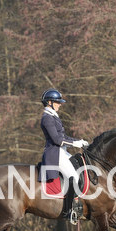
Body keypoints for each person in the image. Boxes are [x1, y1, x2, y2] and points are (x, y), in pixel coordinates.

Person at [39, 88, 88, 223]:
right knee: (73, 177)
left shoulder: (53, 116)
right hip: (54, 154)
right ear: (49, 102)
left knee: (78, 170)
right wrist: (75, 144)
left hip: (62, 152)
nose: (60, 104)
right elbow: (57, 140)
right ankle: (69, 211)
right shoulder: (47, 118)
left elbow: (64, 137)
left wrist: (78, 141)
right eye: (57, 102)